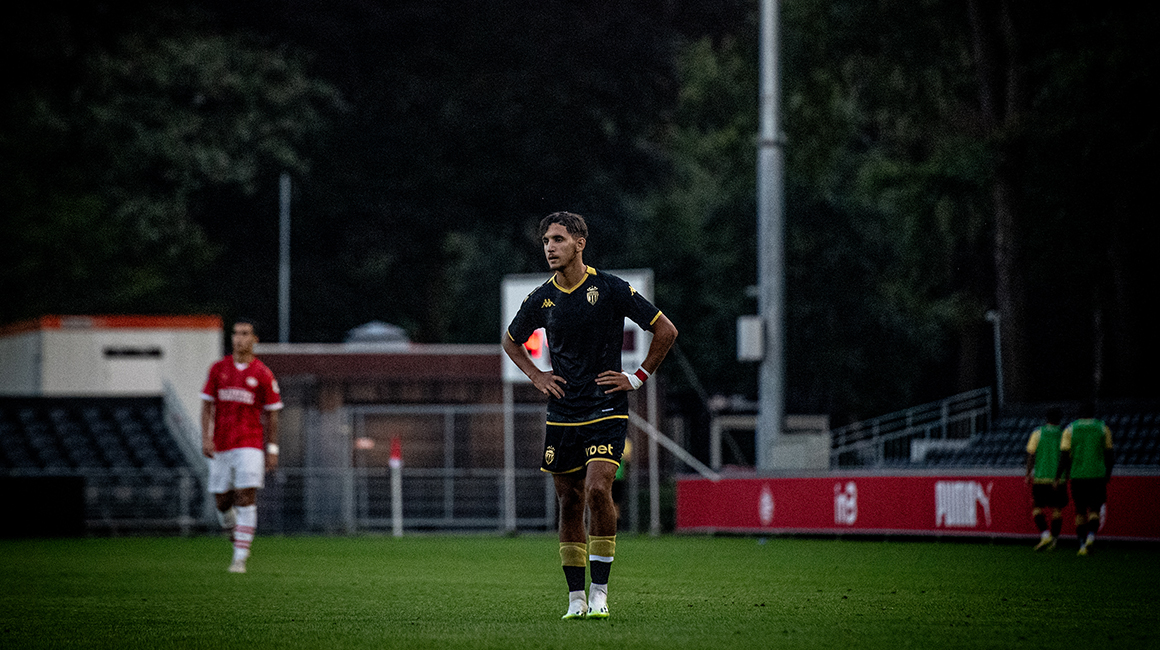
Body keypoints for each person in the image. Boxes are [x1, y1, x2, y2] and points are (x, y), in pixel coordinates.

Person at [502, 212, 677, 620]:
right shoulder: (541, 298)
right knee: (569, 500)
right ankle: (576, 599)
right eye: (546, 241)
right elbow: (511, 341)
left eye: (558, 239)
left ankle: (600, 593)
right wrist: (537, 375)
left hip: (605, 407)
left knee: (599, 489)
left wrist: (637, 377)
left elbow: (666, 330)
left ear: (580, 244)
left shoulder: (610, 288)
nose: (550, 247)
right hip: (562, 412)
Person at [200, 318, 283, 573]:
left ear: (254, 339)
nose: (239, 338)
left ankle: (240, 557)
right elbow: (207, 404)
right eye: (236, 333)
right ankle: (232, 527)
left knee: (246, 496)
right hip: (222, 443)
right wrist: (206, 437)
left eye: (245, 333)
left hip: (250, 443)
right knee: (222, 501)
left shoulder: (262, 373)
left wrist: (272, 448)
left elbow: (272, 413)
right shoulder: (218, 369)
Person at [1056, 401, 1114, 556]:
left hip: (1078, 476)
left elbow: (1064, 456)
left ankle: (1082, 545)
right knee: (1094, 510)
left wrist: (1058, 476)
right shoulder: (1103, 428)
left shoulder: (1070, 429)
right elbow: (1109, 454)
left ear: (1079, 413)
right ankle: (1091, 537)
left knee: (1080, 511)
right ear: (1093, 413)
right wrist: (1108, 474)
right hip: (1097, 475)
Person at [1024, 407, 1067, 551]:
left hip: (1041, 477)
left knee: (1036, 507)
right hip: (1058, 479)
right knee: (1057, 510)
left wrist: (1028, 473)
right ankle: (1054, 541)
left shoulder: (1038, 433)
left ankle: (1045, 534)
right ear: (1059, 419)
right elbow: (1067, 456)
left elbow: (1031, 454)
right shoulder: (1064, 433)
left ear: (1046, 418)